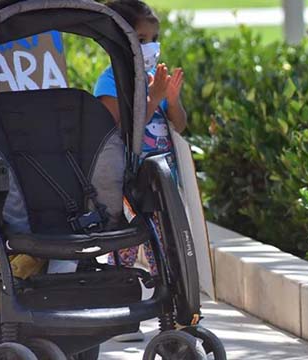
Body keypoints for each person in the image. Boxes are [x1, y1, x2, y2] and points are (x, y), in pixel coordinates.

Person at [94, 0, 187, 342]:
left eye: (154, 38)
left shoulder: (156, 79)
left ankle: (173, 314)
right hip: (127, 183)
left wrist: (171, 99)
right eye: (142, 38)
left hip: (160, 182)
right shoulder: (110, 82)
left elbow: (180, 125)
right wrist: (152, 98)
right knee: (124, 251)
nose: (151, 45)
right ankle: (121, 316)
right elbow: (118, 128)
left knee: (166, 249)